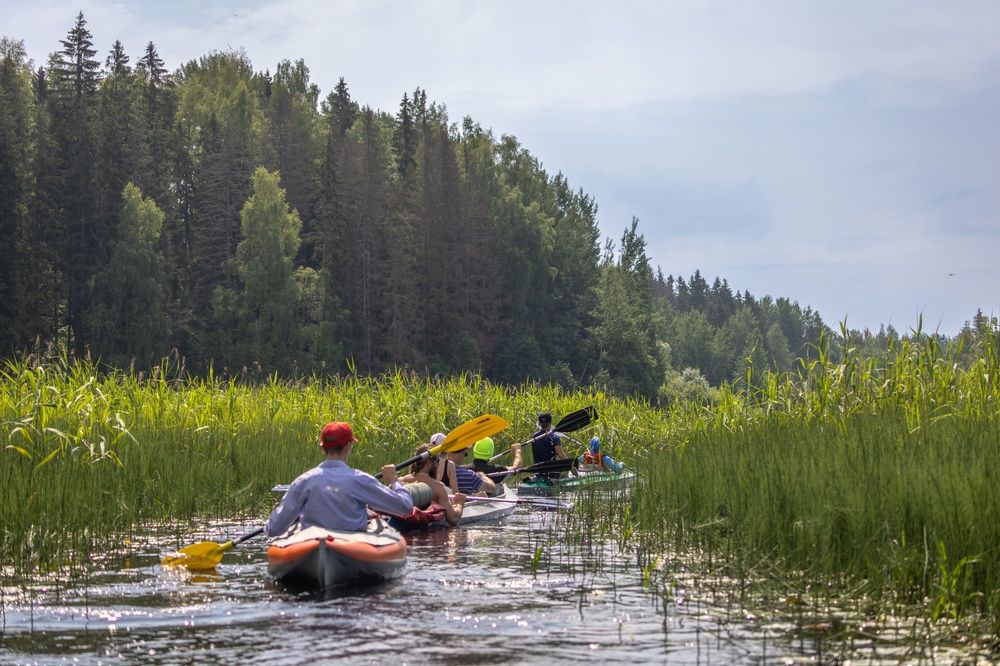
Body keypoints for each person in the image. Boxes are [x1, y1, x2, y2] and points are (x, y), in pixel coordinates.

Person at [265, 422, 414, 536]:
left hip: (312, 542)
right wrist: (394, 480)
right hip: (352, 543)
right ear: (348, 447)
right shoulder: (360, 480)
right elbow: (405, 507)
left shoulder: (303, 481)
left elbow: (273, 529)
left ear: (322, 448)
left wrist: (268, 526)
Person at [399, 445, 466, 525]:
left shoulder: (399, 482)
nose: (439, 465)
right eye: (437, 460)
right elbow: (453, 518)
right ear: (428, 463)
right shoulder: (438, 487)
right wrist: (459, 503)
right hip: (430, 534)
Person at [530, 412, 568, 478]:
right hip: (552, 472)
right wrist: (570, 465)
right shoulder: (554, 437)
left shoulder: (534, 436)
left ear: (540, 423)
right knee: (566, 471)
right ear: (550, 422)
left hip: (538, 470)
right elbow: (561, 455)